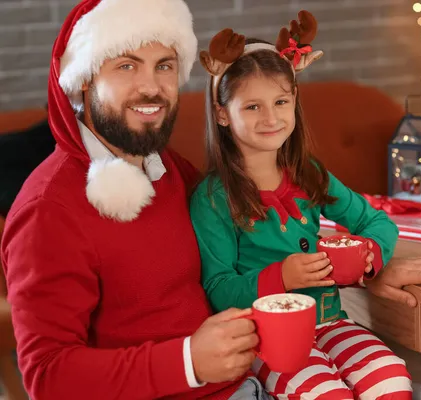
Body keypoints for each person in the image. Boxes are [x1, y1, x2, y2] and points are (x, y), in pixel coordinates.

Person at [0, 0, 264, 399]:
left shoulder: (168, 168)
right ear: (84, 78)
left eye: (164, 65)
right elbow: (48, 377)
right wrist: (188, 361)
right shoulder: (48, 210)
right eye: (126, 65)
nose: (151, 87)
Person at [190, 12, 421, 399]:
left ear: (294, 102)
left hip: (331, 322)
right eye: (252, 107)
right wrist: (282, 277)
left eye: (281, 101)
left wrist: (370, 256)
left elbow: (376, 222)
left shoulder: (308, 174)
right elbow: (218, 288)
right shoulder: (213, 198)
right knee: (325, 394)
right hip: (267, 341)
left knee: (391, 377)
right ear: (221, 114)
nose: (271, 118)